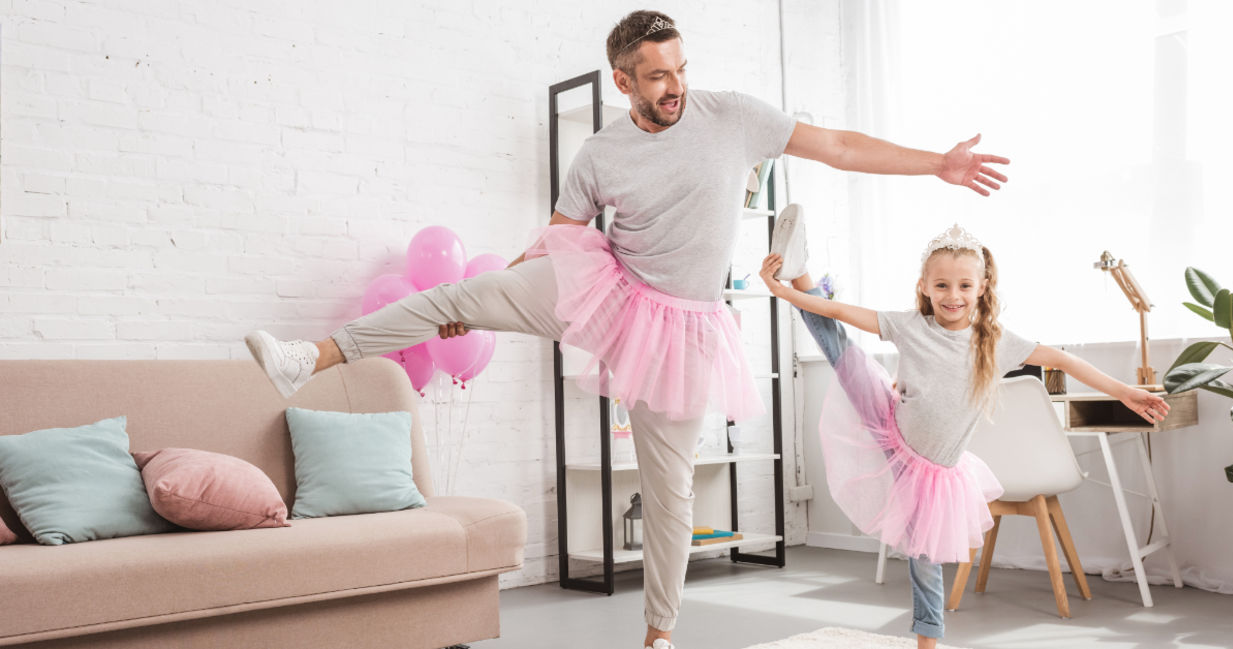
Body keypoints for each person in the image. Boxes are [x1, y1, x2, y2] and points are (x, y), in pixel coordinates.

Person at [244, 10, 1012, 649]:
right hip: (607, 288)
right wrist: (490, 294)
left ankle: (658, 634)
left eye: (680, 69)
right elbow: (556, 236)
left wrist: (936, 164)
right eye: (657, 76)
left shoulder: (732, 117)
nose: (675, 85)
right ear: (623, 81)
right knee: (461, 290)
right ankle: (308, 356)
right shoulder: (600, 153)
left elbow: (838, 146)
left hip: (681, 331)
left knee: (669, 489)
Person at [758, 223, 1170, 649]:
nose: (952, 295)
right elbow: (838, 312)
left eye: (964, 285)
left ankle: (927, 644)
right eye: (941, 285)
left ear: (982, 288)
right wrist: (783, 291)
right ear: (924, 286)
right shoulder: (909, 325)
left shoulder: (995, 341)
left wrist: (1125, 392)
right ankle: (800, 271)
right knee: (842, 353)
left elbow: (1063, 360)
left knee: (924, 561)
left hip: (932, 471)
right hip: (889, 425)